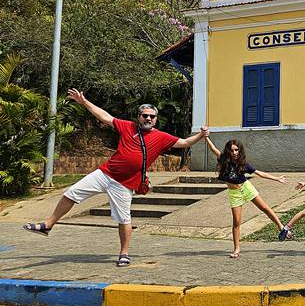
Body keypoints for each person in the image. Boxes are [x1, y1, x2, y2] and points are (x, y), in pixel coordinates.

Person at [22, 89, 207, 267]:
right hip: (105, 173)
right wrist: (84, 101)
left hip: (125, 184)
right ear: (139, 116)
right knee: (71, 193)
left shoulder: (160, 137)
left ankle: (124, 253)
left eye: (152, 116)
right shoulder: (127, 126)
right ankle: (48, 224)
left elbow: (184, 143)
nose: (148, 118)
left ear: (156, 119)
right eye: (145, 115)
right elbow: (104, 116)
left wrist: (201, 135)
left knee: (124, 219)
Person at [204, 136, 288, 258]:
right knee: (236, 222)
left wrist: (276, 178)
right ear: (228, 151)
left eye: (236, 150)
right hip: (234, 193)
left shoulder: (243, 164)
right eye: (232, 150)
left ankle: (281, 227)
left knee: (264, 208)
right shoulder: (223, 159)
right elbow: (213, 148)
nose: (234, 153)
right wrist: (205, 137)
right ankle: (237, 249)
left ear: (240, 150)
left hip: (246, 188)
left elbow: (259, 173)